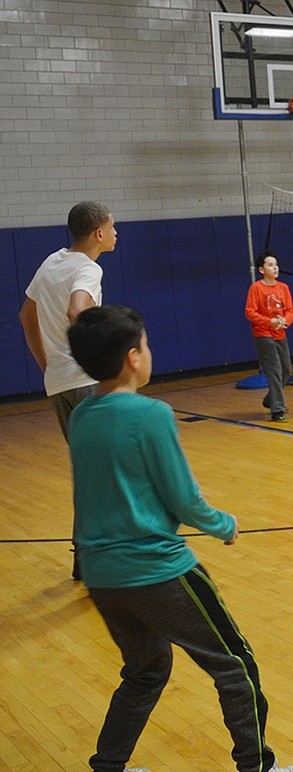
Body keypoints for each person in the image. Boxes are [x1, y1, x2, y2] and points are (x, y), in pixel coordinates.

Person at [66, 305, 293, 772]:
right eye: (148, 345)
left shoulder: (81, 416)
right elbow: (182, 497)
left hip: (102, 575)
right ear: (134, 357)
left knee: (145, 669)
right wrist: (222, 524)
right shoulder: (150, 414)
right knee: (235, 664)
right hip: (158, 570)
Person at [18, 200, 117, 580]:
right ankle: (101, 558)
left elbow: (26, 315)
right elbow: (79, 312)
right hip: (86, 382)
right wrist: (99, 364)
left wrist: (47, 365)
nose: (115, 232)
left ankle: (85, 557)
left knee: (90, 471)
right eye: (112, 227)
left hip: (59, 383)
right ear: (97, 234)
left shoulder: (51, 262)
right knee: (105, 471)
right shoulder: (88, 269)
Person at [245, 251, 293, 422]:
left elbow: (290, 311)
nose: (275, 267)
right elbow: (250, 312)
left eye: (276, 264)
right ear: (261, 269)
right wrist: (269, 322)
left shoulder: (283, 288)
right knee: (274, 370)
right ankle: (278, 410)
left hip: (280, 332)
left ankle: (270, 399)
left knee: (286, 370)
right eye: (270, 264)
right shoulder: (256, 288)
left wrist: (284, 321)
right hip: (263, 334)